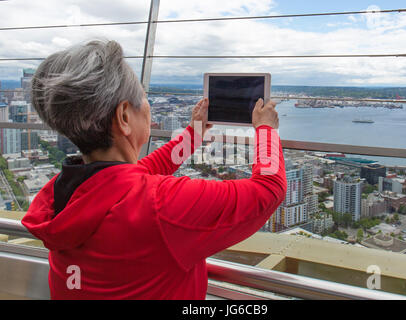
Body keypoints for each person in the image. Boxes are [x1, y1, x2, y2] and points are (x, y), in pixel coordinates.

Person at [21, 39, 287, 299]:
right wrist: (266, 130)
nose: (147, 106)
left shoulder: (61, 193)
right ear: (124, 116)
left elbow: (146, 169)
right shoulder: (160, 205)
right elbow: (268, 190)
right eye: (144, 97)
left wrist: (193, 133)